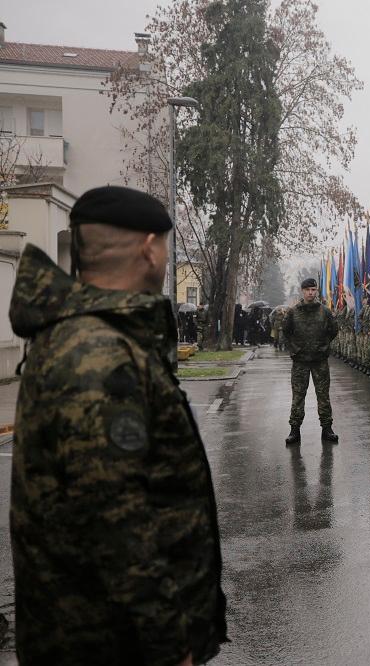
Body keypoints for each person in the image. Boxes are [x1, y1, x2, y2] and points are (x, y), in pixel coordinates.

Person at [9, 185, 227, 665]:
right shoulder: (98, 355)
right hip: (112, 646)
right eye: (165, 247)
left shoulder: (91, 336)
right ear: (150, 248)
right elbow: (117, 526)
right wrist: (170, 647)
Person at [282, 277, 340, 445]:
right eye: (307, 290)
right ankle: (294, 430)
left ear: (316, 291)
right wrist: (294, 350)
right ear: (303, 291)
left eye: (313, 290)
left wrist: (324, 346)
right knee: (298, 396)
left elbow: (333, 330)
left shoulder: (324, 311)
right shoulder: (293, 312)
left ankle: (327, 428)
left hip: (319, 360)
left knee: (323, 395)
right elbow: (286, 332)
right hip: (300, 361)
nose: (310, 292)